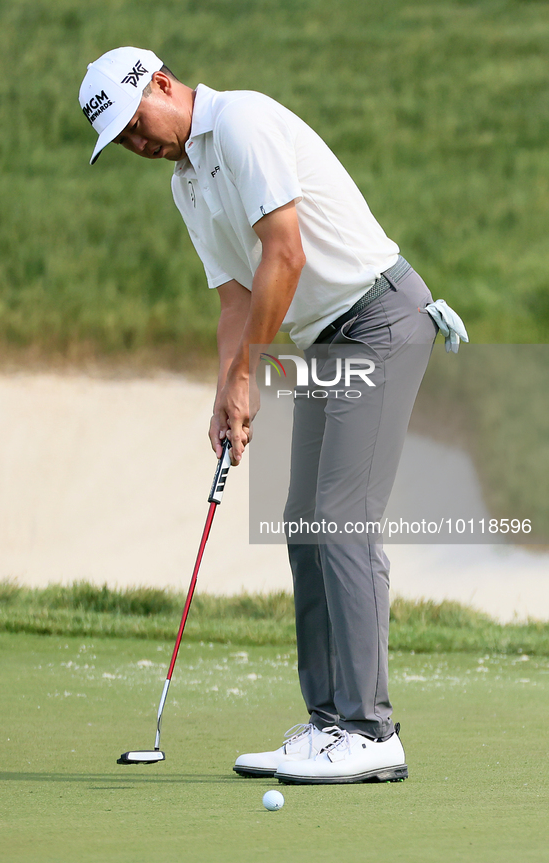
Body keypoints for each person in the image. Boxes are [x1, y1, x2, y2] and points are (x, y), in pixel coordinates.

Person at [79, 46, 467, 785]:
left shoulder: (242, 122)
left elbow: (282, 254)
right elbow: (233, 298)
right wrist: (227, 387)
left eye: (136, 124)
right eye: (122, 142)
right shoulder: (185, 185)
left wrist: (249, 373)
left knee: (339, 514)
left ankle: (369, 729)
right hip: (326, 339)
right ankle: (327, 723)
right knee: (304, 517)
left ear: (161, 83)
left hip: (378, 319)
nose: (138, 144)